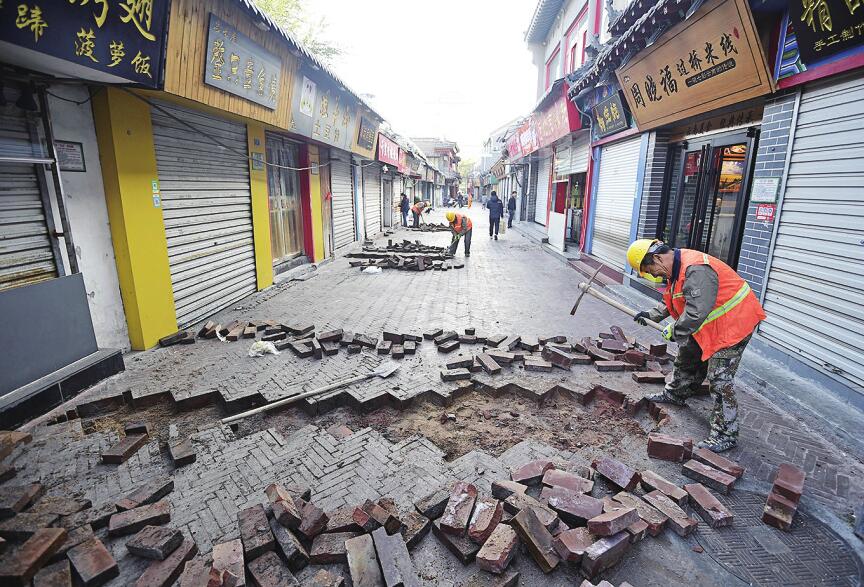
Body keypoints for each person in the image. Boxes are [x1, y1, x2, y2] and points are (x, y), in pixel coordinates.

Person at [628, 239, 766, 452]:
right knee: (688, 355)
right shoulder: (676, 268)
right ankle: (676, 394)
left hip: (735, 323)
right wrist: (651, 314)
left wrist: (676, 330)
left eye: (651, 270)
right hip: (710, 322)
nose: (655, 276)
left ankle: (725, 433)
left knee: (719, 379)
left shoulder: (696, 268)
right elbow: (675, 298)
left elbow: (696, 311)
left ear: (656, 257)